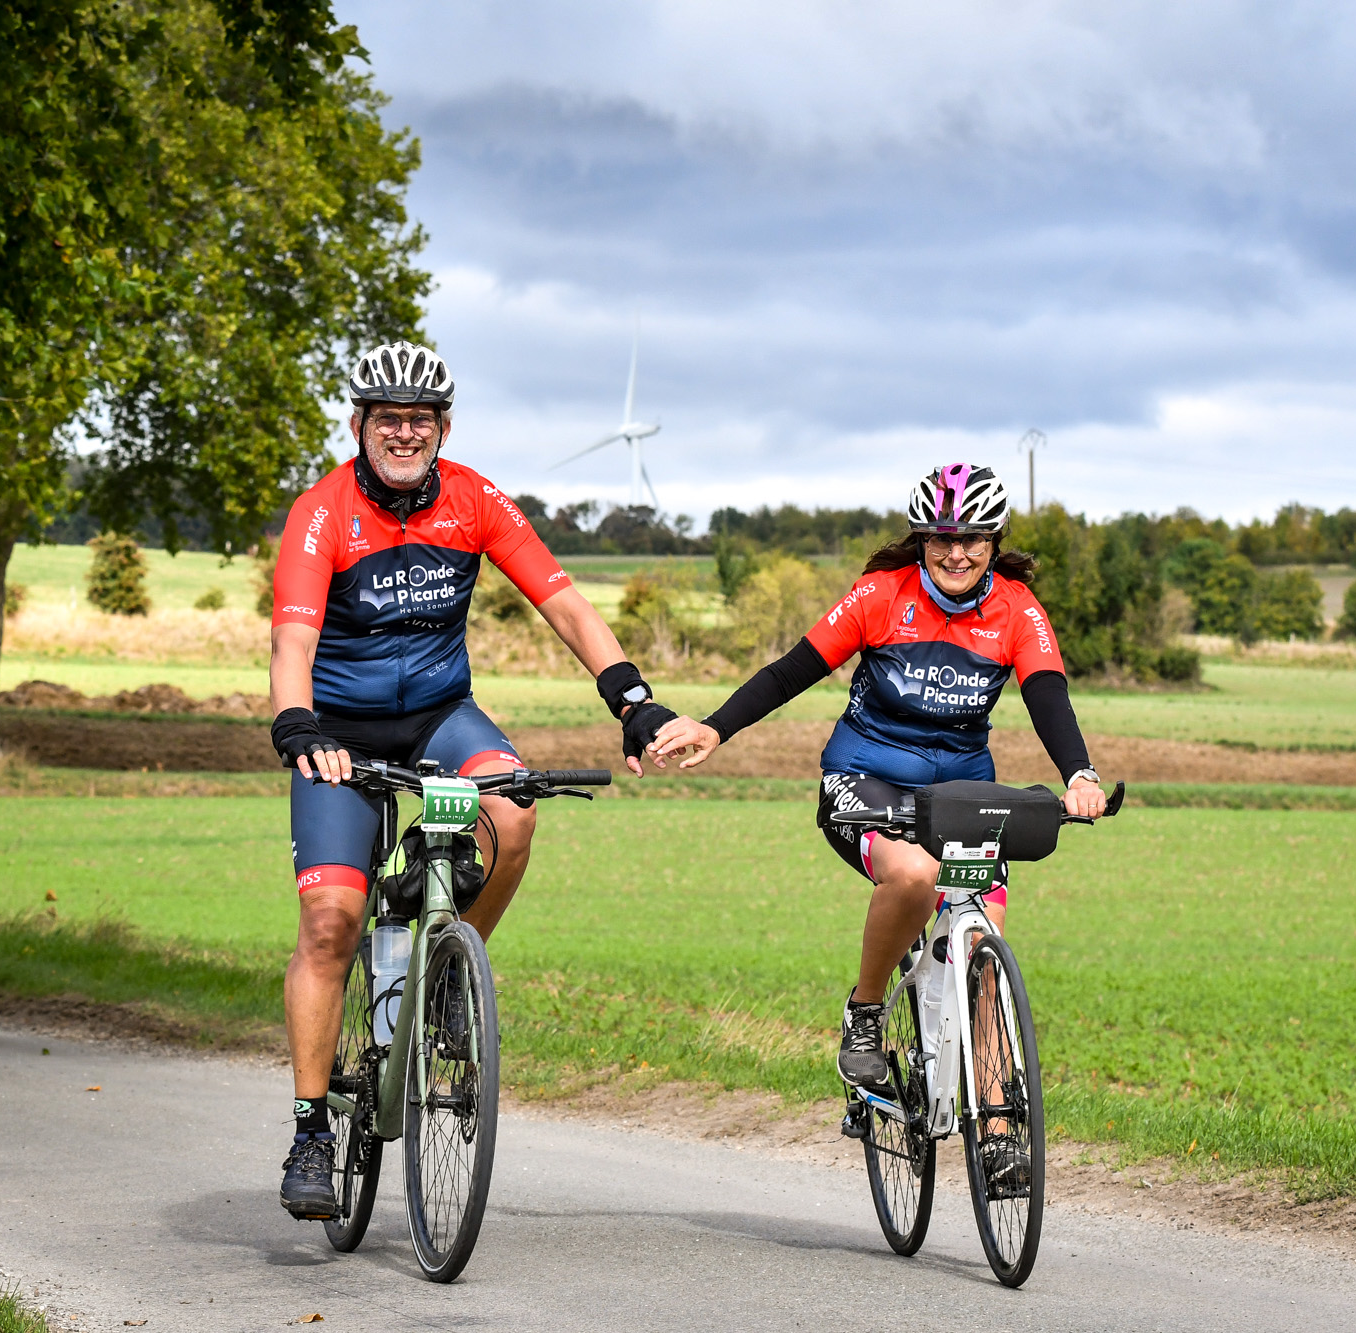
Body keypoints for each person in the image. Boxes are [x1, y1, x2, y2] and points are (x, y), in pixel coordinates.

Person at [268, 340, 677, 1219]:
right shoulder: (321, 512)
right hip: (338, 733)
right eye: (388, 418)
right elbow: (292, 639)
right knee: (331, 921)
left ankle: (452, 970)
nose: (404, 433)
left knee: (514, 812)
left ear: (443, 429)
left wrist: (632, 699)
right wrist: (297, 723)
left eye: (420, 419)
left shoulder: (475, 499)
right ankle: (309, 1130)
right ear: (359, 425)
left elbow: (564, 603)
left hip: (440, 717)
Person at [646, 463, 1107, 1179]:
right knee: (915, 875)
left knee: (983, 951)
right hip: (865, 778)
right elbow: (790, 671)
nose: (957, 554)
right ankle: (864, 1013)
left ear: (994, 541)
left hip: (959, 794)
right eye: (941, 538)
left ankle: (997, 1134)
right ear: (921, 540)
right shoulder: (881, 595)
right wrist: (716, 727)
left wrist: (1078, 773)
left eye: (973, 539)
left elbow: (1048, 694)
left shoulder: (1017, 609)